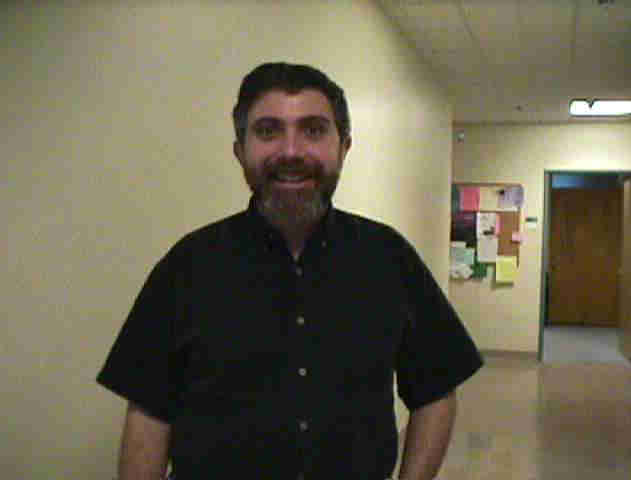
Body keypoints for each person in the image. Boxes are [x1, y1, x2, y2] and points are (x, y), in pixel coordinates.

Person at [97, 62, 483, 480]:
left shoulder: (390, 258)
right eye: (268, 131)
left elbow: (435, 391)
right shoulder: (186, 266)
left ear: (344, 147)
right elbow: (148, 414)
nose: (292, 152)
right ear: (239, 150)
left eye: (313, 130)